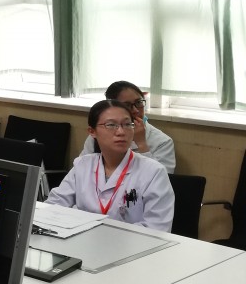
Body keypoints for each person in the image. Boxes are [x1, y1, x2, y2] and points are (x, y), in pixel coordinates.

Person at [47, 99, 174, 231]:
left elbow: (156, 228)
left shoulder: (153, 172)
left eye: (127, 124)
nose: (121, 132)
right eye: (111, 125)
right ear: (92, 131)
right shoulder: (82, 165)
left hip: (132, 243)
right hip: (81, 239)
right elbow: (53, 206)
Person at [79, 80, 176, 173]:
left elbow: (162, 179)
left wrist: (142, 145)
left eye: (139, 102)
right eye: (127, 105)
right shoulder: (100, 134)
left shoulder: (162, 142)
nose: (136, 110)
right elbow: (81, 169)